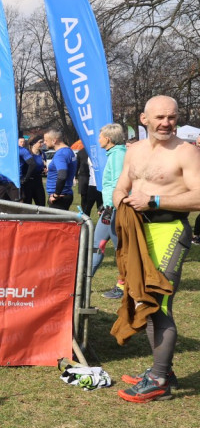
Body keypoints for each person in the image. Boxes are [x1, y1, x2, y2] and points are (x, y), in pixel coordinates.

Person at [111, 95, 200, 402]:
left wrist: (155, 201)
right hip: (138, 232)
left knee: (158, 304)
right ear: (144, 119)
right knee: (144, 302)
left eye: (172, 117)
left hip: (169, 230)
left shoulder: (186, 152)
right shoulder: (133, 150)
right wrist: (120, 198)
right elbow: (122, 184)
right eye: (160, 117)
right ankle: (163, 369)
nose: (166, 123)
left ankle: (159, 380)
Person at [92, 124, 127, 299]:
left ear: (108, 139)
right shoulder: (113, 154)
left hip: (116, 209)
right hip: (109, 208)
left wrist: (110, 206)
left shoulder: (118, 155)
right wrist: (105, 205)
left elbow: (118, 184)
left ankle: (123, 286)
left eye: (101, 137)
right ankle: (83, 281)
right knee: (96, 244)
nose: (98, 140)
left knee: (121, 250)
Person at [43, 129, 77, 210]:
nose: (44, 142)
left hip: (60, 197)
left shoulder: (60, 154)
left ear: (54, 141)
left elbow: (62, 175)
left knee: (55, 222)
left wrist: (56, 195)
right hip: (65, 194)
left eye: (46, 140)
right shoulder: (69, 151)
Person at [76, 146, 103, 216]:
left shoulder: (101, 153)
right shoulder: (82, 152)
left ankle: (101, 223)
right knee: (87, 206)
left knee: (100, 207)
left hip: (99, 184)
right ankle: (86, 222)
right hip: (91, 184)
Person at [21, 135, 46, 206]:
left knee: (41, 204)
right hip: (27, 182)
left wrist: (44, 169)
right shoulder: (27, 153)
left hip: (38, 182)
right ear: (33, 143)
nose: (42, 144)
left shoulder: (42, 154)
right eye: (40, 142)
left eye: (43, 142)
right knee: (27, 205)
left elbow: (43, 166)